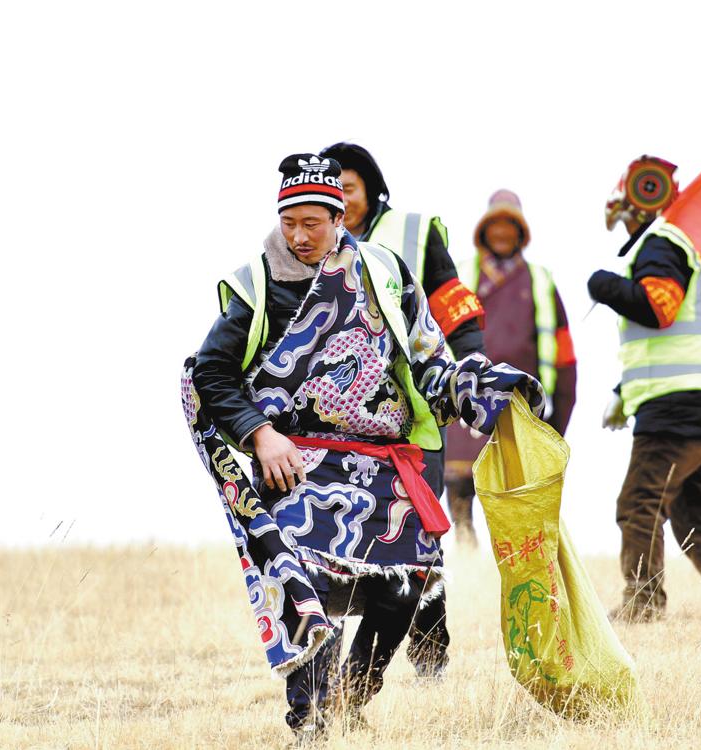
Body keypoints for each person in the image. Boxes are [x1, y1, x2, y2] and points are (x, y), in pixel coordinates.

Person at [181, 153, 544, 740]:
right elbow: (211, 373)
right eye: (288, 223)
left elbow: (428, 358)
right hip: (294, 463)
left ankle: (352, 697)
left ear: (339, 215)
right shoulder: (257, 284)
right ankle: (312, 721)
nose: (299, 236)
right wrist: (261, 435)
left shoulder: (385, 271)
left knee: (407, 581)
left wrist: (477, 389)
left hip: (381, 462)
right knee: (307, 591)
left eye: (312, 223)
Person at [318, 141, 485, 679]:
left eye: (348, 188)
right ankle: (325, 675)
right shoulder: (310, 240)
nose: (340, 200)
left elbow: (454, 305)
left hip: (412, 421)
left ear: (371, 189)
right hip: (335, 429)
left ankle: (430, 658)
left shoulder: (413, 231)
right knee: (334, 543)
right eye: (331, 191)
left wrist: (473, 368)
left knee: (417, 538)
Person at [587, 155, 701, 622]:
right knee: (693, 512)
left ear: (635, 209)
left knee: (638, 503)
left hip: (675, 409)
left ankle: (643, 602)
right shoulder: (685, 249)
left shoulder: (661, 244)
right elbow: (673, 336)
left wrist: (603, 286)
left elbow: (658, 309)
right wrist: (625, 391)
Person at [445, 189, 578, 546]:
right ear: (484, 232)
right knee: (459, 480)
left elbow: (564, 356)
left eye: (510, 226)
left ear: (520, 233)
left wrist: (557, 420)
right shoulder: (460, 277)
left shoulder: (540, 282)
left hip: (521, 404)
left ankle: (512, 553)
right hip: (466, 399)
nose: (502, 233)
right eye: (495, 226)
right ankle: (466, 546)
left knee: (515, 490)